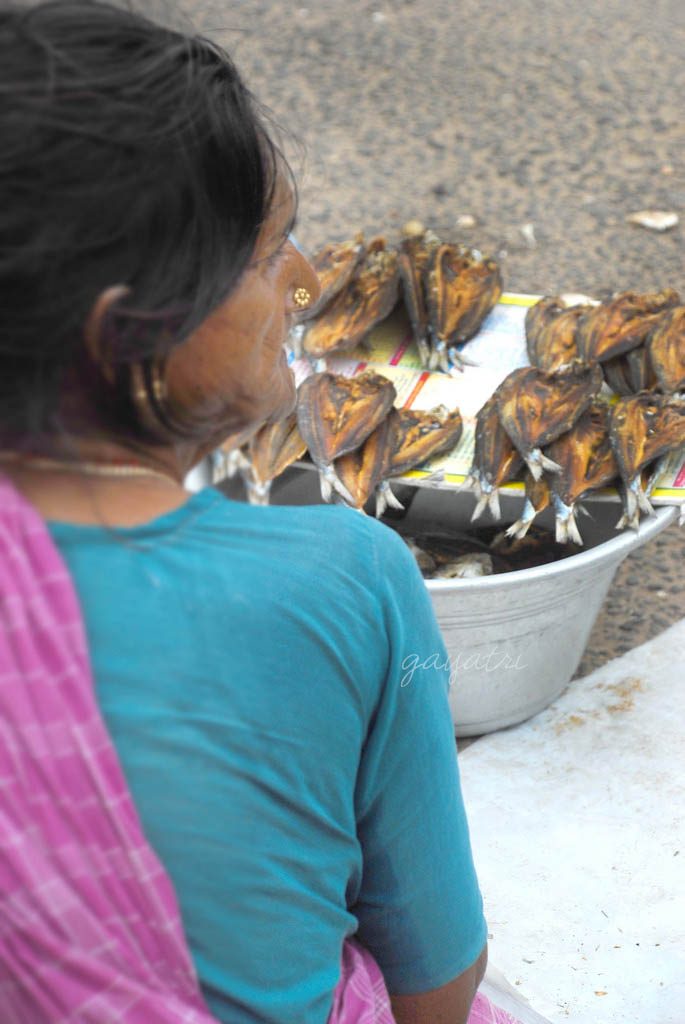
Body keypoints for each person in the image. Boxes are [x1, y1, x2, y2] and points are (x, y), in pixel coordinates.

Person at [0, 1, 489, 1021]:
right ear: (130, 331)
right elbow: (436, 991)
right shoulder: (342, 576)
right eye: (268, 255)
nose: (306, 281)